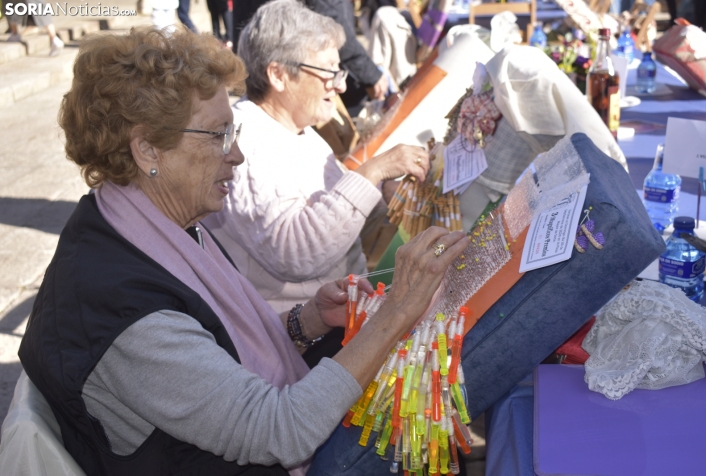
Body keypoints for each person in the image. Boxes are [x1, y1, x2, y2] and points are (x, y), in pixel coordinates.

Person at [17, 25, 469, 474]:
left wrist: (304, 322)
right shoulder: (120, 302)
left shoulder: (146, 225)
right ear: (148, 150)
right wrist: (397, 314)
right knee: (436, 419)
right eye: (218, 136)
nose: (236, 156)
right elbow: (280, 432)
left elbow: (210, 352)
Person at [204, 0, 429, 313]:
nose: (339, 85)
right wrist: (372, 173)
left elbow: (341, 223)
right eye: (327, 71)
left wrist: (388, 194)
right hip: (291, 336)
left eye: (339, 71)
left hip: (336, 316)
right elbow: (295, 253)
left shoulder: (302, 133)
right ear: (279, 75)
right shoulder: (247, 142)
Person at [231, 0, 390, 112]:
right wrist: (370, 75)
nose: (341, 86)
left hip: (260, 73)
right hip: (289, 75)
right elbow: (332, 17)